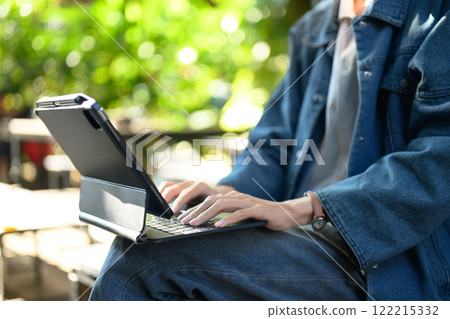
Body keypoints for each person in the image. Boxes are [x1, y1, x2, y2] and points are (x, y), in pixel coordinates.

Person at [90, 0, 450, 301]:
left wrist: (306, 207)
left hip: (391, 265)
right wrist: (227, 193)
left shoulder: (437, 18)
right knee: (144, 239)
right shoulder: (315, 26)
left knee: (146, 263)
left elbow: (439, 161)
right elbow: (275, 140)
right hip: (305, 238)